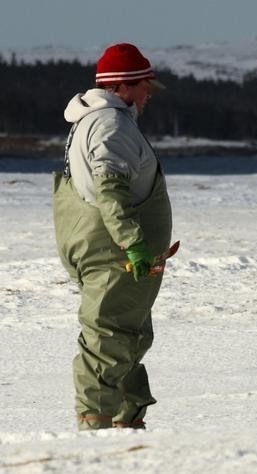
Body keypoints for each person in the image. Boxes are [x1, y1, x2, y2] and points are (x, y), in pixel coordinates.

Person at [53, 43, 172, 430]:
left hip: (101, 245)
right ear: (123, 86)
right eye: (144, 88)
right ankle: (96, 439)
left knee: (126, 335)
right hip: (113, 251)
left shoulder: (94, 121)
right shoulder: (111, 124)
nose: (148, 95)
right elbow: (110, 185)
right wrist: (132, 241)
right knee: (109, 338)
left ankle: (126, 429)